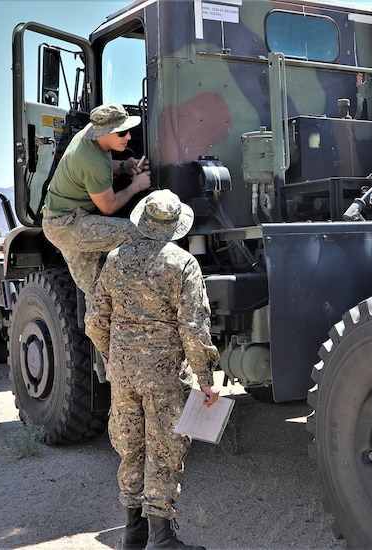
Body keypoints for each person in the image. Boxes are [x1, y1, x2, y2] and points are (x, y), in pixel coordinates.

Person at [85, 190, 220, 550]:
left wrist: (110, 358)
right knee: (163, 450)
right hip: (164, 378)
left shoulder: (115, 260)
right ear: (175, 226)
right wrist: (206, 380)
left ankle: (132, 533)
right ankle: (161, 538)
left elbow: (96, 320)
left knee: (130, 446)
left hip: (124, 374)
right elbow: (193, 328)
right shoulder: (183, 264)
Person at [41, 103, 152, 307]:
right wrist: (136, 186)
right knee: (138, 233)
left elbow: (99, 168)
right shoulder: (91, 160)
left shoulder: (91, 137)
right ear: (104, 133)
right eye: (123, 133)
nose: (128, 137)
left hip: (62, 220)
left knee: (96, 290)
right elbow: (108, 207)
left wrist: (125, 167)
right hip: (67, 225)